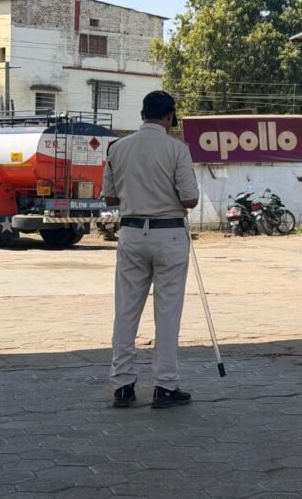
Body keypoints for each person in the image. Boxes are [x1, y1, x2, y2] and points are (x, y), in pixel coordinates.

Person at [103, 91, 200, 409]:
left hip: (131, 233)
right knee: (167, 313)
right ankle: (165, 385)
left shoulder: (117, 148)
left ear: (142, 114)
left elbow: (110, 198)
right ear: (170, 116)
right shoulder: (177, 149)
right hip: (169, 235)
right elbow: (190, 199)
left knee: (126, 310)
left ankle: (122, 386)